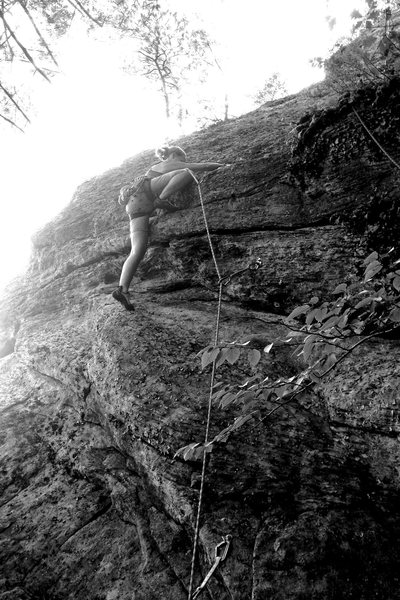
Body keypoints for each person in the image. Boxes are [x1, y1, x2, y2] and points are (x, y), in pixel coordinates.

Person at [112, 145, 226, 311]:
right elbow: (201, 166)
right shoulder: (167, 163)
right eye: (182, 159)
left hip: (135, 207)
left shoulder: (158, 168)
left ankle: (122, 289)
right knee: (187, 172)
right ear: (174, 155)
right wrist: (224, 166)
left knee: (137, 250)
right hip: (148, 194)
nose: (183, 162)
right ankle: (162, 199)